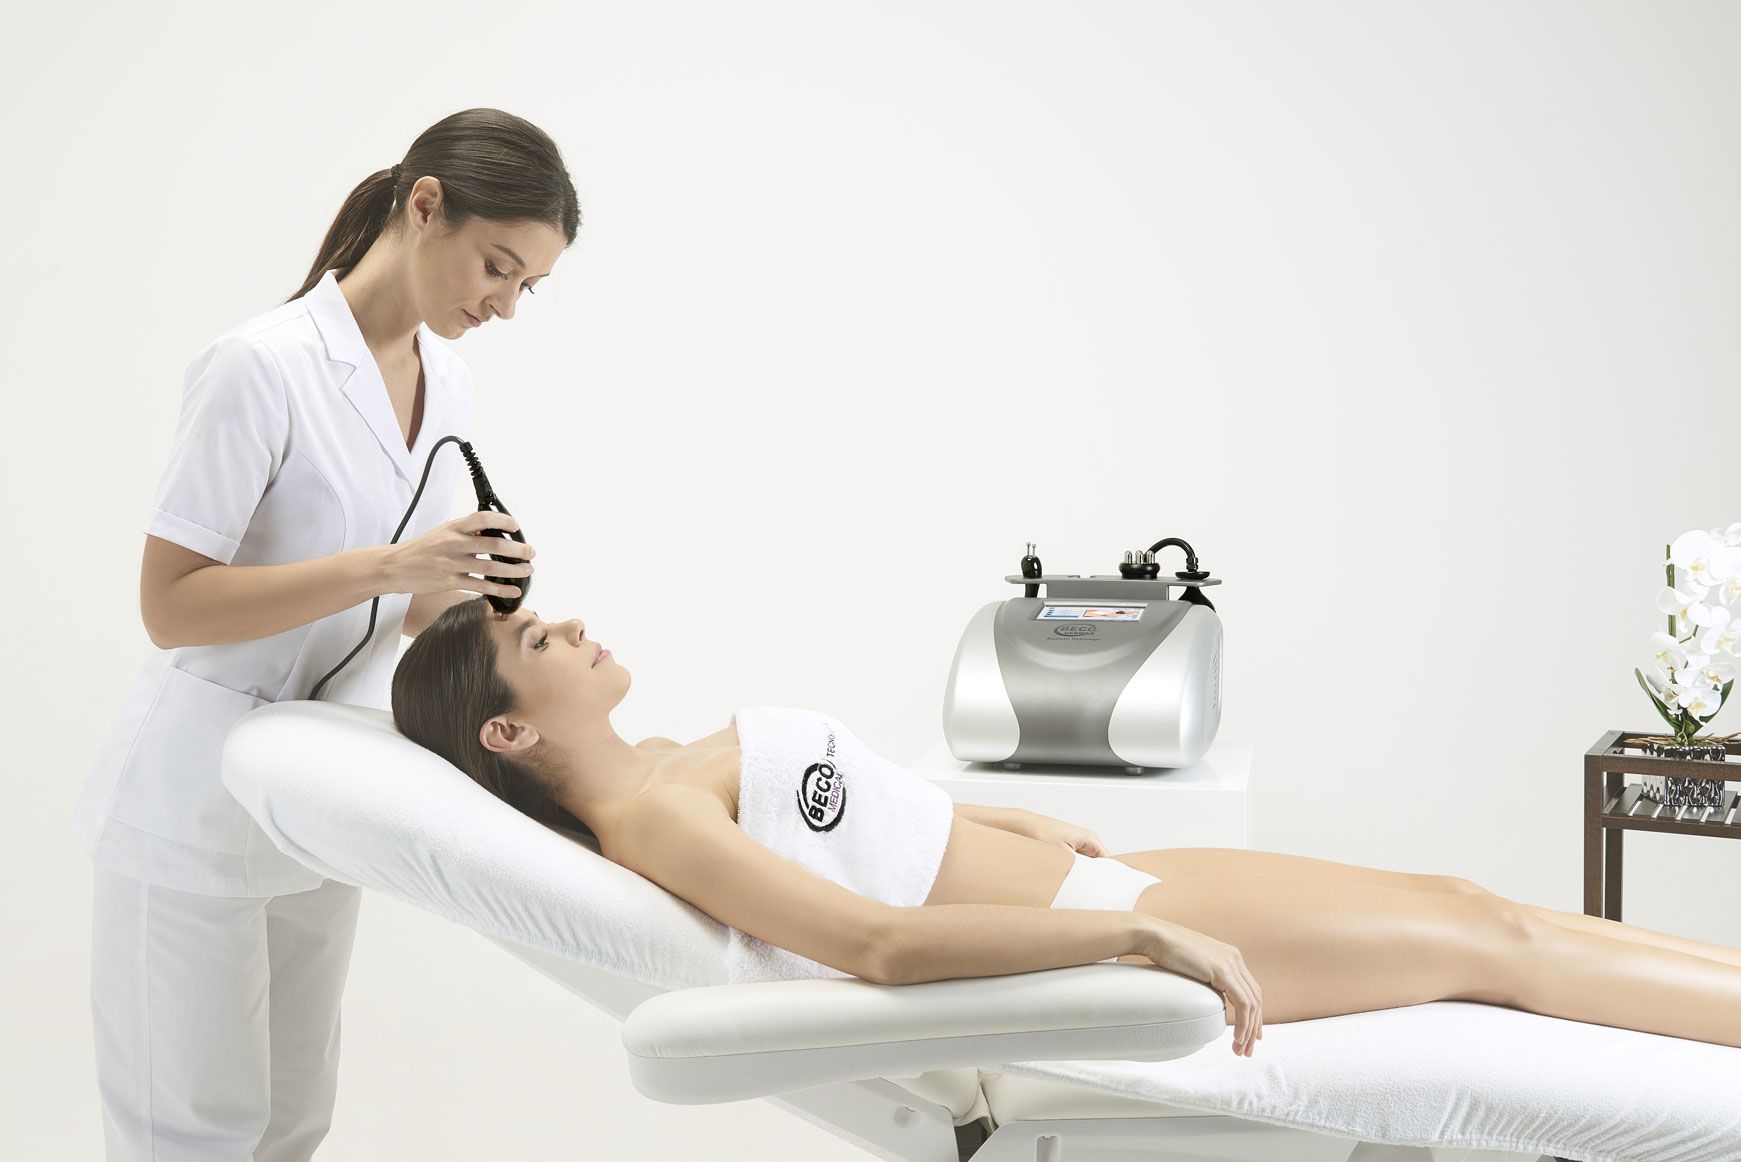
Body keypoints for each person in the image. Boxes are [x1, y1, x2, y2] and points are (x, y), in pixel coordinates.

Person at [391, 597, 1741, 1060]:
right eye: (536, 640)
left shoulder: (668, 760)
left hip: (1095, 875)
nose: (570, 625)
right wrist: (1135, 938)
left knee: (1461, 897)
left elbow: (852, 824)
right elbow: (875, 940)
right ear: (505, 732)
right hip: (1101, 918)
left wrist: (984, 812)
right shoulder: (659, 819)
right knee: (1487, 942)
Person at [69, 108, 576, 1160]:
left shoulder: (450, 383)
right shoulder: (258, 366)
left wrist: (474, 590)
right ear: (425, 206)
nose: (504, 304)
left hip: (318, 793)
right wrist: (391, 565)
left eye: (527, 285)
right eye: (498, 266)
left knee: (292, 1122)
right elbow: (171, 604)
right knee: (192, 1133)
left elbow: (404, 614)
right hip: (195, 797)